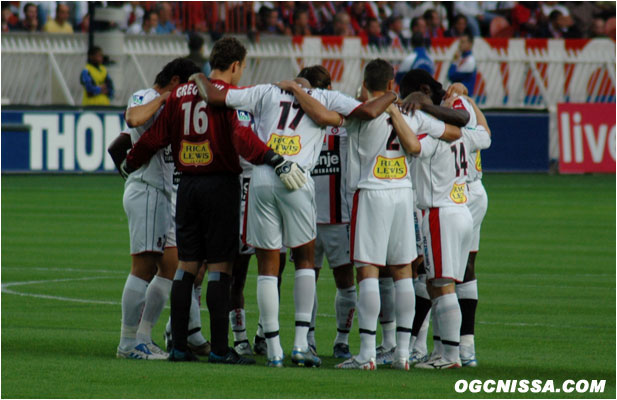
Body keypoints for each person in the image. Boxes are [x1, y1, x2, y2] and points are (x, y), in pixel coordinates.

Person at [192, 61, 398, 368]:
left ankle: (273, 349)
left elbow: (213, 96)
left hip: (262, 176)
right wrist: (393, 96)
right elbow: (368, 112)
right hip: (298, 178)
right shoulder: (327, 98)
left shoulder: (266, 90)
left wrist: (197, 75)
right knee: (304, 260)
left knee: (267, 265)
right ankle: (301, 345)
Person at [123, 37, 305, 364]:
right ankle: (221, 349)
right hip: (220, 184)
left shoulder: (179, 95)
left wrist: (131, 160)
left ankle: (179, 346)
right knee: (221, 267)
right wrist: (273, 157)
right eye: (242, 68)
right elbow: (240, 137)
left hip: (187, 186)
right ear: (235, 66)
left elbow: (156, 136)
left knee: (187, 266)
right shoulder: (226, 97)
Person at [107, 58, 201, 360]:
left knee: (171, 267)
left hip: (164, 195)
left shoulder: (176, 107)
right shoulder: (146, 96)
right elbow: (133, 119)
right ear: (175, 81)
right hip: (147, 191)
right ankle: (127, 342)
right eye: (186, 87)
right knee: (143, 267)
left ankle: (144, 337)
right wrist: (163, 98)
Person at [394, 91, 490, 370]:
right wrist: (472, 104)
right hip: (462, 211)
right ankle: (443, 352)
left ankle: (450, 357)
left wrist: (395, 115)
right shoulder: (468, 135)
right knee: (439, 284)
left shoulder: (435, 138)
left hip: (440, 212)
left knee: (442, 285)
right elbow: (486, 133)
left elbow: (413, 147)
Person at [294, 65, 356, 360]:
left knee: (312, 277)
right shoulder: (302, 116)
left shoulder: (340, 121)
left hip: (325, 214)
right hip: (322, 215)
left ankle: (314, 338)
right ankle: (330, 340)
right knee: (338, 281)